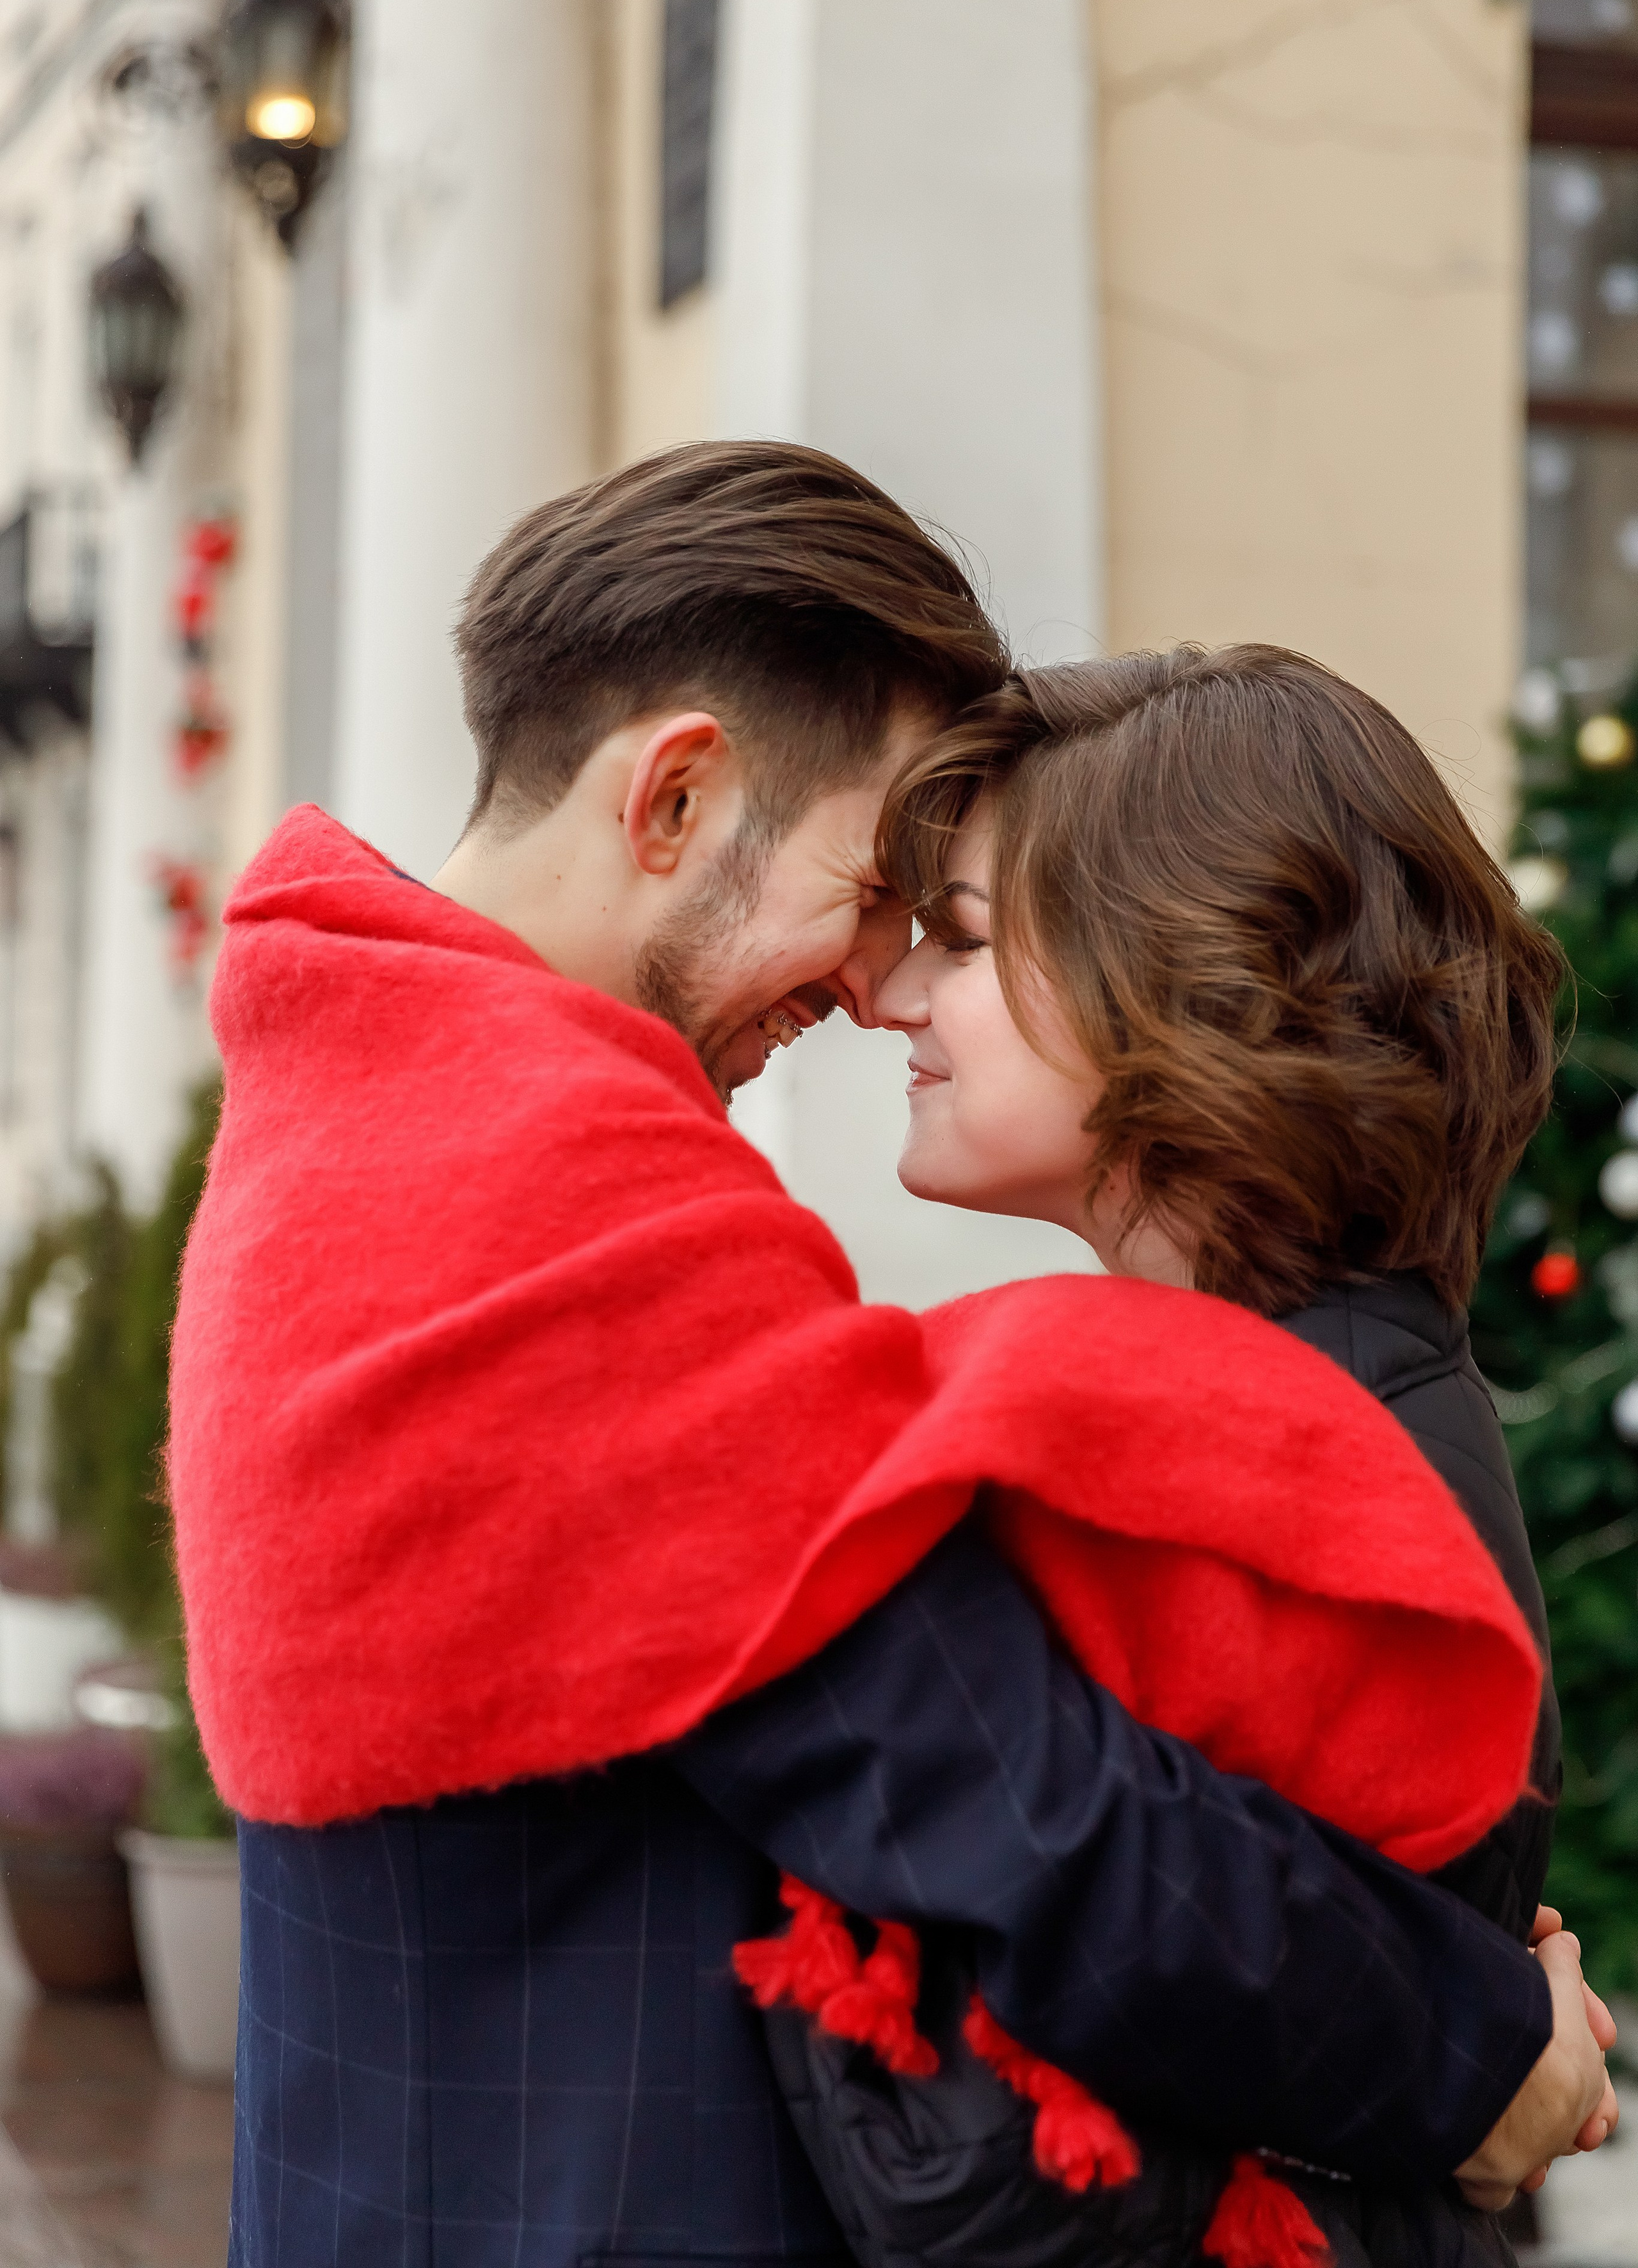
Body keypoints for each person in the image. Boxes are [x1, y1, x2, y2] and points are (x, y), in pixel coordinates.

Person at [164, 447, 1607, 2265]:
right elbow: (1010, 1795)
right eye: (871, 889)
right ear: (675, 797)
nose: (871, 984)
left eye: (951, 931)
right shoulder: (526, 1194)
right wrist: (1483, 2050)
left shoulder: (369, 1107)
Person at [736, 646, 1615, 2267]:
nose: (890, 993)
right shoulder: (1315, 1387)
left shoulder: (1263, 1446)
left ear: (1194, 970)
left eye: (967, 937)